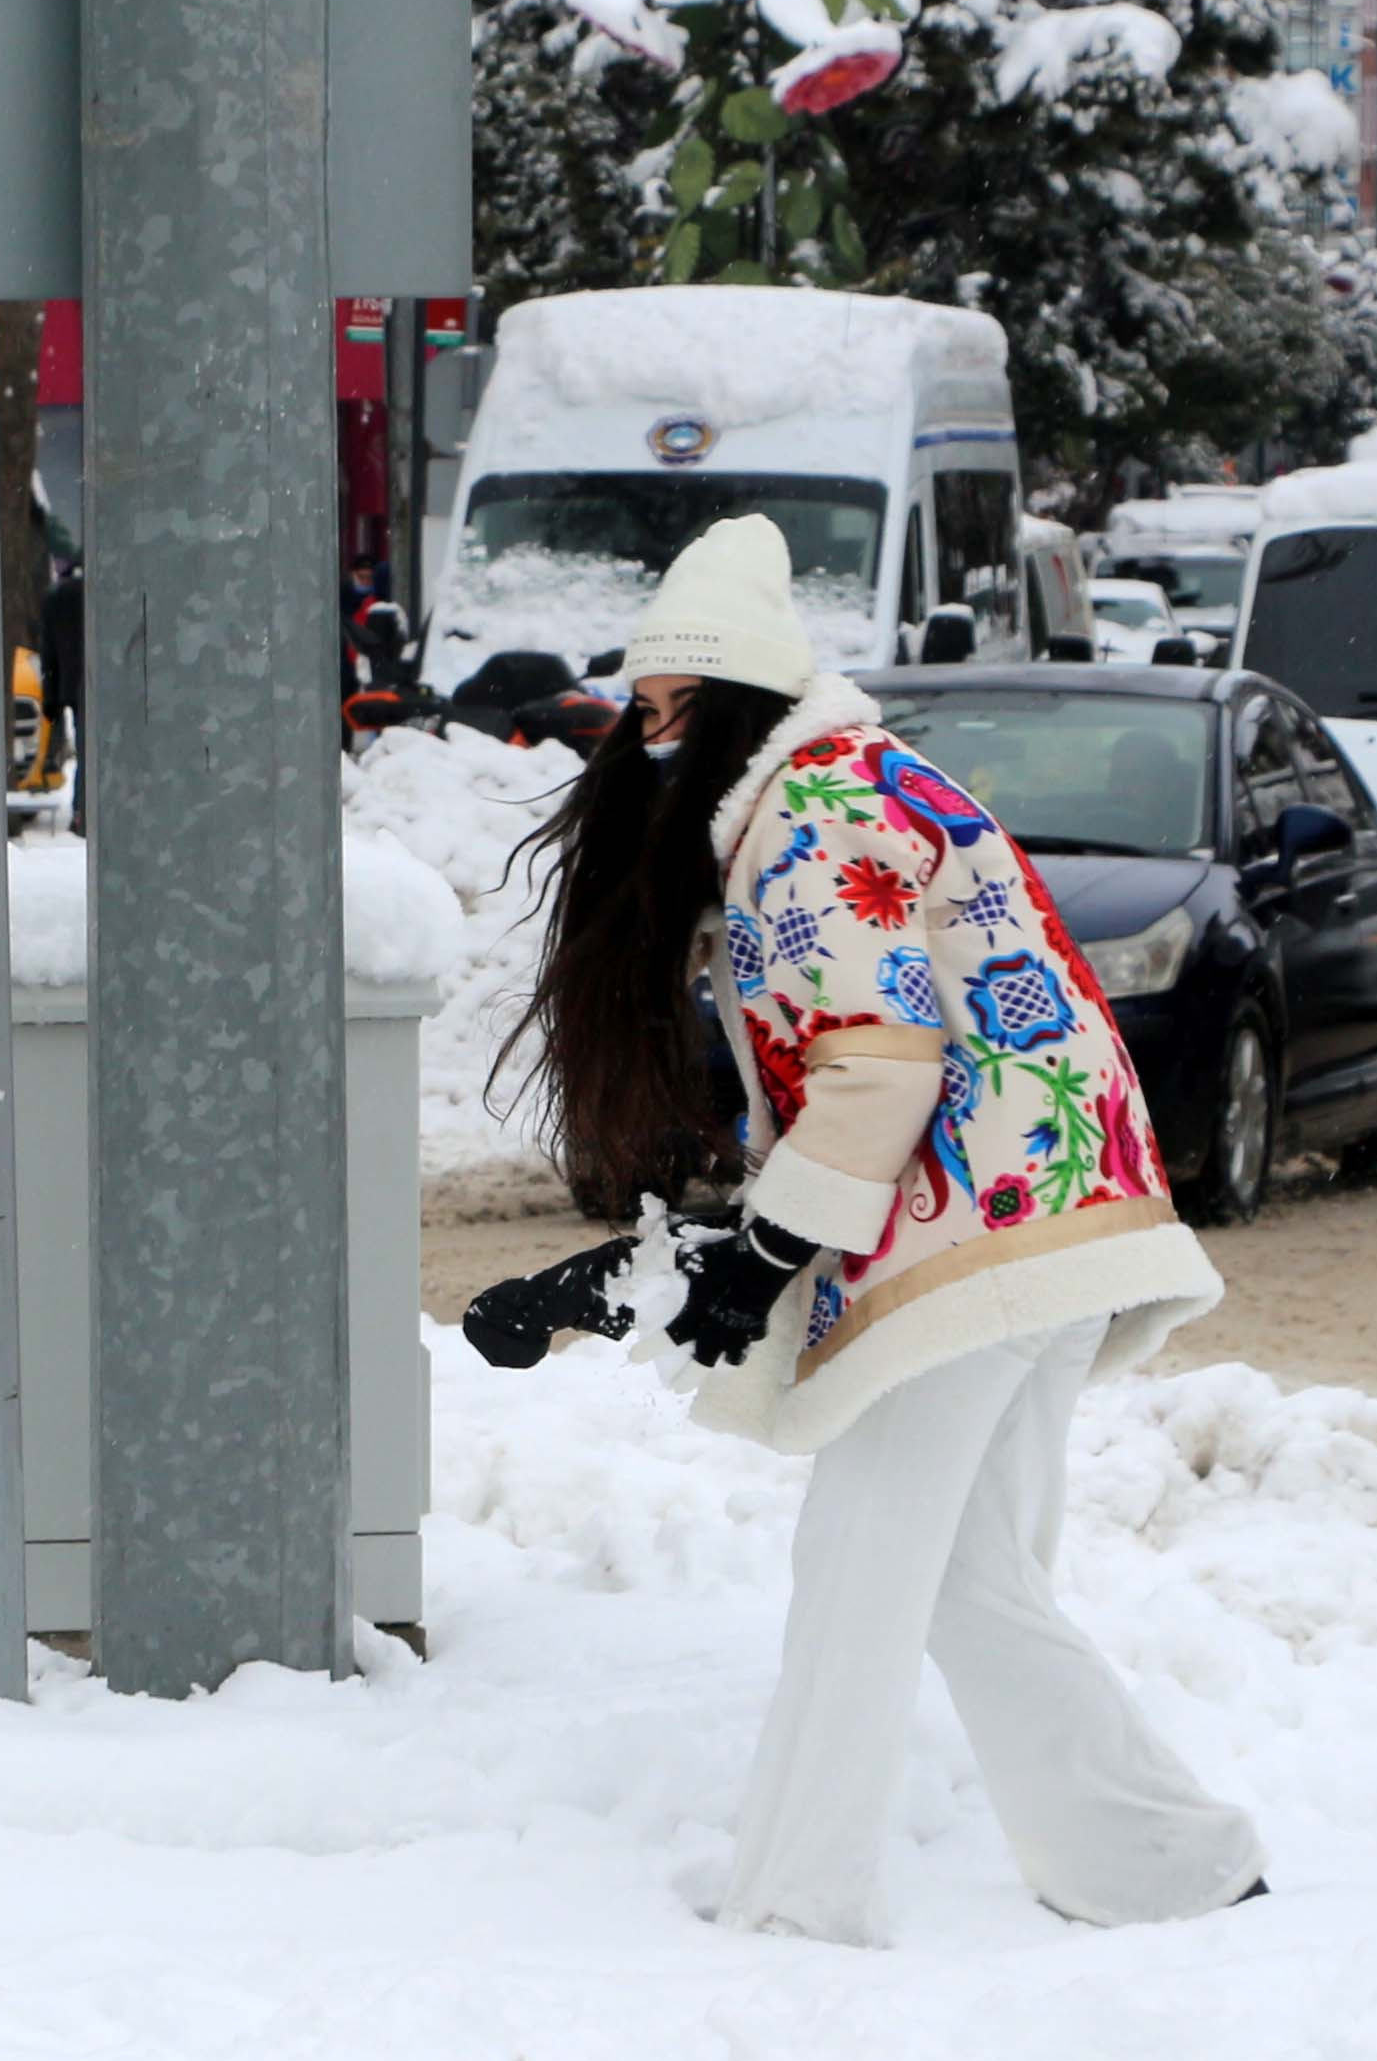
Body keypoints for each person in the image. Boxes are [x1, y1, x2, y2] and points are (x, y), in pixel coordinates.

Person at [488, 515, 1268, 1944]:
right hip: (1063, 1214)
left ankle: (801, 1906)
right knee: (971, 1580)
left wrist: (768, 1256)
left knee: (859, 1574)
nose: (650, 744)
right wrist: (717, 1259)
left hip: (977, 1243)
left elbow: (876, 1067)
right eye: (641, 715)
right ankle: (1166, 1862)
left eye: (669, 712)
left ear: (734, 700)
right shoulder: (873, 780)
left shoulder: (805, 818)